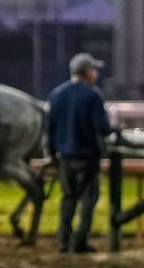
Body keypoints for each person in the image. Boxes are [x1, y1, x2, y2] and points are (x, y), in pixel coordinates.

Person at [45, 52, 114, 254]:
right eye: (94, 70)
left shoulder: (56, 94)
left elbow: (50, 128)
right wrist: (114, 129)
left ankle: (63, 239)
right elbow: (102, 128)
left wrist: (51, 154)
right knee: (88, 199)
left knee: (68, 198)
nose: (96, 74)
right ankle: (80, 241)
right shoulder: (92, 95)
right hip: (87, 156)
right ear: (86, 72)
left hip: (64, 156)